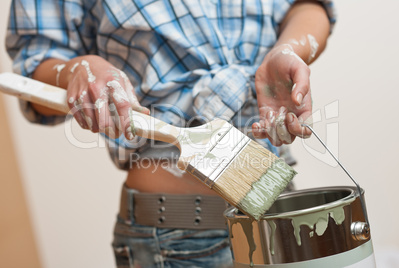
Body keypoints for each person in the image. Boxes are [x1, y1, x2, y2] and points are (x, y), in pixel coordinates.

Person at [6, 0, 335, 267]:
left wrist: (288, 50)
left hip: (277, 212)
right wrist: (78, 69)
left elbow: (309, 6)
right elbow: (35, 65)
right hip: (174, 244)